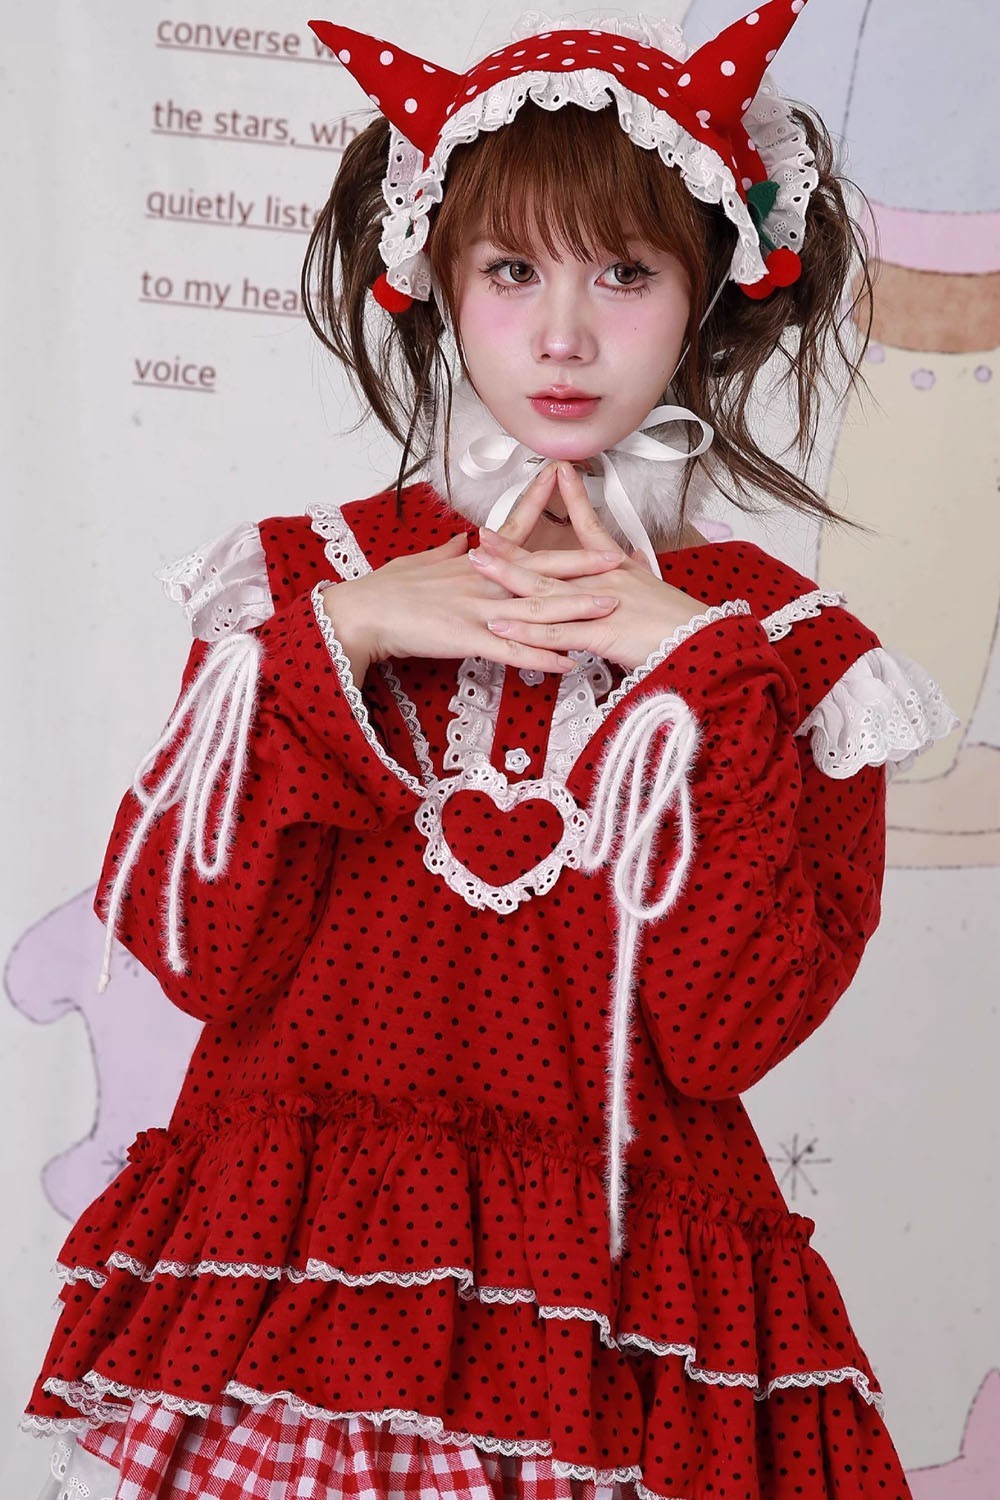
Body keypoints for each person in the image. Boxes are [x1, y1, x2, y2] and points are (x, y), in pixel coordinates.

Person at [24, 4, 960, 1498]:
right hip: (307, 1288)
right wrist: (342, 638)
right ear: (439, 281)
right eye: (512, 271)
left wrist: (702, 674)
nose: (564, 336)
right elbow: (192, 948)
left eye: (626, 273)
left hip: (615, 1324)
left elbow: (727, 1035)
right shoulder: (303, 588)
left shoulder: (786, 659)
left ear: (710, 290)